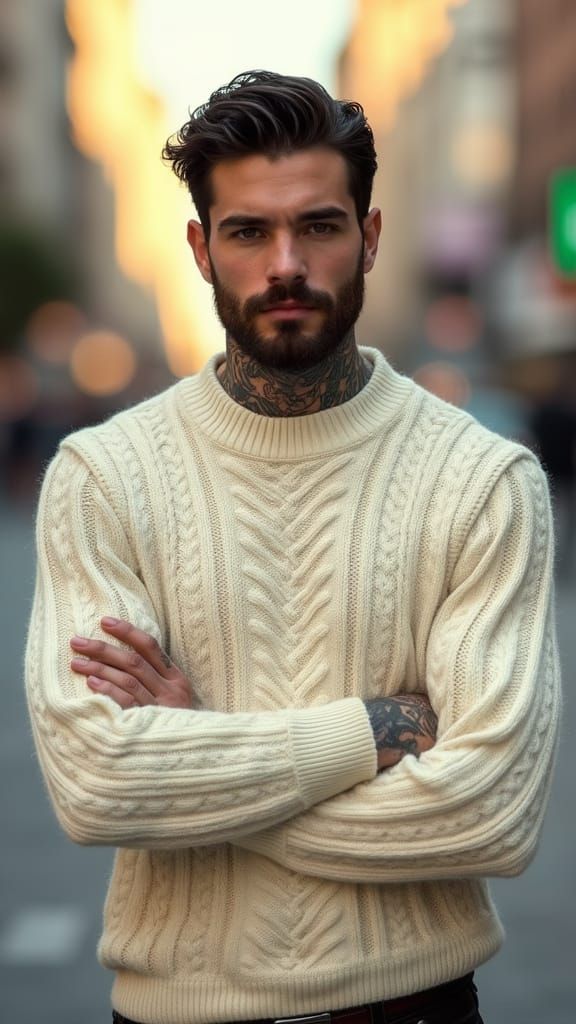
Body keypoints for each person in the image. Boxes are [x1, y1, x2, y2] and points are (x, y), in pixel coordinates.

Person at [26, 71, 560, 1024]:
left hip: (414, 1005)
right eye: (247, 232)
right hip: (171, 1012)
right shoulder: (104, 474)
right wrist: (372, 732)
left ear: (371, 236)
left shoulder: (481, 480)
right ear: (199, 248)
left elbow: (489, 807)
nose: (286, 263)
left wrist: (197, 758)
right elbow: (98, 784)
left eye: (318, 225)